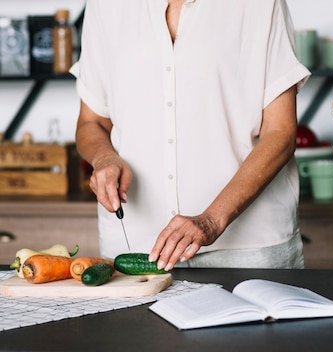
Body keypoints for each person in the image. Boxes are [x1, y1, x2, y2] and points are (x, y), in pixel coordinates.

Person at [72, 0, 310, 270]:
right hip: (136, 247)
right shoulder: (105, 6)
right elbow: (91, 122)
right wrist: (104, 158)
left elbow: (280, 133)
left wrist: (212, 219)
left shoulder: (261, 5)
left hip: (249, 246)